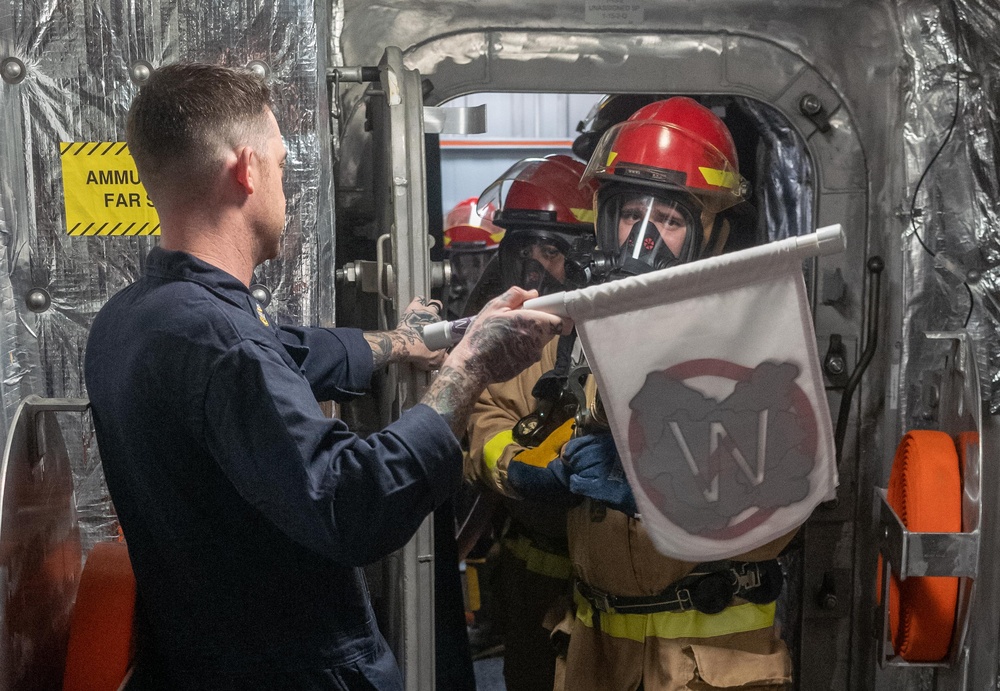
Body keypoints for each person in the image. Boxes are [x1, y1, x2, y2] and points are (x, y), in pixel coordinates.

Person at [83, 62, 566, 690]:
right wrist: (467, 371)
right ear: (246, 170)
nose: (285, 188)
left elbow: (288, 350)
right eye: (282, 166)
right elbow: (353, 503)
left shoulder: (132, 320)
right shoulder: (224, 347)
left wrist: (399, 343)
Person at [492, 98, 794, 689]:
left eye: (671, 221)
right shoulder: (578, 331)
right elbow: (498, 413)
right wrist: (530, 468)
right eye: (632, 214)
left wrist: (662, 484)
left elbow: (785, 492)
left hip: (707, 667)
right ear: (605, 220)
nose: (645, 238)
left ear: (712, 232)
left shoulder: (752, 338)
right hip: (594, 657)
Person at [465, 155, 598, 691]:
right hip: (530, 579)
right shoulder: (507, 334)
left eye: (551, 249)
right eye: (522, 249)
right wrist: (516, 466)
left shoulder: (620, 327)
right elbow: (481, 413)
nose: (534, 267)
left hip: (609, 587)